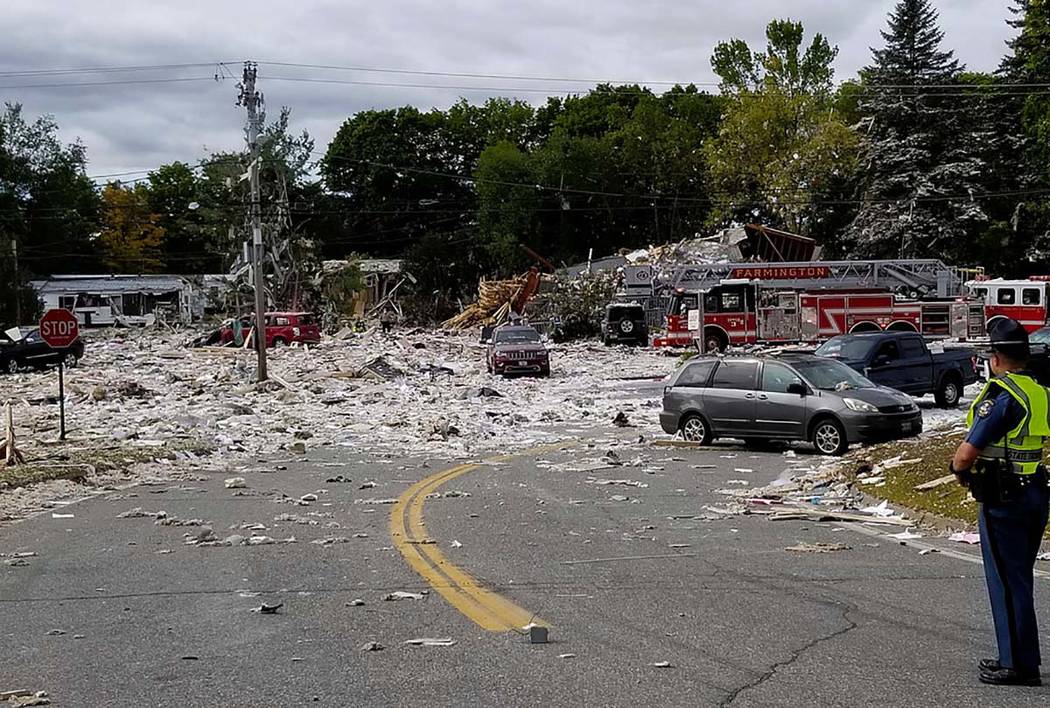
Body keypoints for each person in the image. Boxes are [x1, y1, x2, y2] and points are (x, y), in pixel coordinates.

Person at [951, 317, 1050, 687]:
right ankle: (1021, 657)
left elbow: (966, 454)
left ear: (996, 357)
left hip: (1003, 497)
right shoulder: (1040, 391)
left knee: (1006, 582)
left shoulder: (1001, 396)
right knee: (1020, 579)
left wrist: (958, 470)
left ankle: (1018, 666)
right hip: (1035, 491)